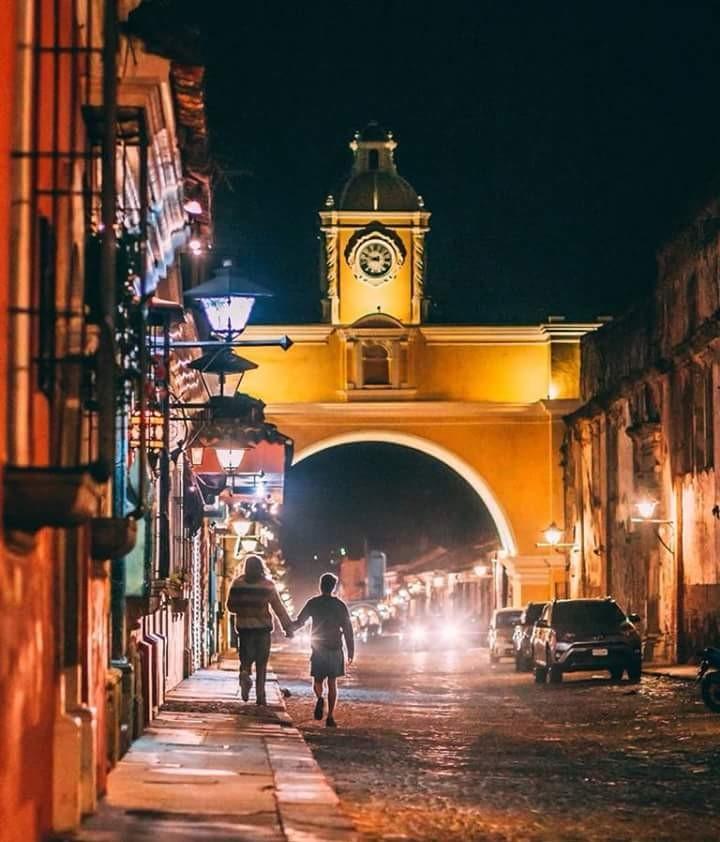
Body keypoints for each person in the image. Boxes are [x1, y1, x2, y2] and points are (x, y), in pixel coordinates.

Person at [226, 555, 294, 706]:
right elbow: (278, 608)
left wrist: (243, 608)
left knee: (245, 660)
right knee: (261, 663)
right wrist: (288, 627)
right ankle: (260, 696)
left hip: (244, 630)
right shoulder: (267, 585)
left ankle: (244, 676)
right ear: (261, 567)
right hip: (263, 629)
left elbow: (230, 606)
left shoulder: (238, 584)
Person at [293, 572, 354, 728]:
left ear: (320, 586)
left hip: (318, 647)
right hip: (335, 648)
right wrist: (351, 651)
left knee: (317, 680)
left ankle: (320, 697)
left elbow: (300, 621)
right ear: (334, 587)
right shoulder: (340, 605)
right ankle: (331, 717)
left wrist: (289, 628)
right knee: (332, 683)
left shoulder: (313, 603)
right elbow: (348, 629)